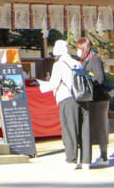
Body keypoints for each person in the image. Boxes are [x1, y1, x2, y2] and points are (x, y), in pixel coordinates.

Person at [37, 39, 91, 169]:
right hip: (84, 98)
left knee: (69, 129)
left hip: (68, 99)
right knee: (85, 129)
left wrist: (41, 85)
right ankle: (86, 161)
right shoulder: (77, 62)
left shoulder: (59, 64)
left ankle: (71, 159)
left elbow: (54, 84)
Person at [76, 36, 110, 168]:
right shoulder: (87, 59)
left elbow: (100, 79)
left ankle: (104, 156)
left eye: (79, 48)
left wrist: (87, 81)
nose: (78, 51)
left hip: (99, 98)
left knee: (100, 126)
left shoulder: (94, 59)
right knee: (92, 127)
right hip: (91, 98)